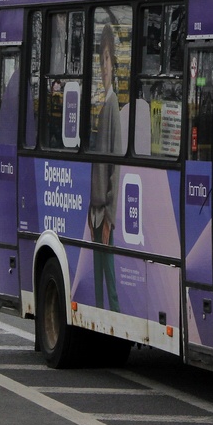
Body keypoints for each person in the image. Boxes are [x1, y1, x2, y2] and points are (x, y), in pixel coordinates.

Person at [89, 22, 121, 313]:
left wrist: (109, 217)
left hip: (104, 213)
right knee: (98, 275)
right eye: (100, 61)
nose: (103, 67)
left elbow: (115, 168)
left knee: (108, 276)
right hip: (95, 211)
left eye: (107, 60)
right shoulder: (102, 103)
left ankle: (114, 316)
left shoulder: (112, 107)